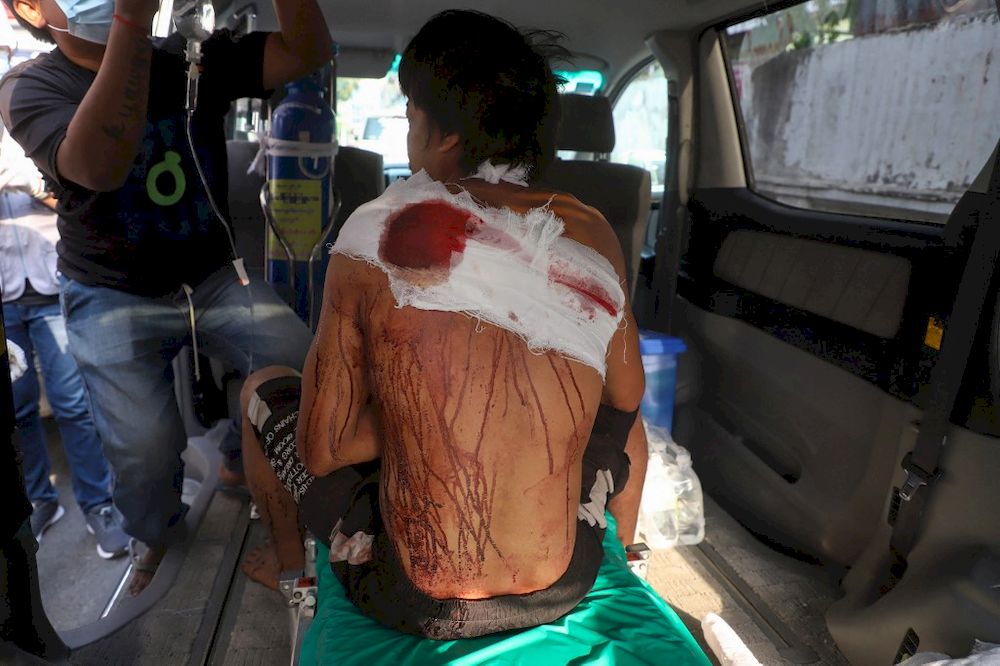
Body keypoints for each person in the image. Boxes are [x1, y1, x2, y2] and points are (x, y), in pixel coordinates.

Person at [238, 9, 649, 639]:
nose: (408, 130)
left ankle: (293, 571)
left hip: (414, 594)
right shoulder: (593, 231)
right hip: (563, 581)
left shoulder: (375, 232)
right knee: (630, 428)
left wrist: (418, 413)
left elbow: (322, 449)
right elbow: (624, 397)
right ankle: (634, 561)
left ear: (447, 135)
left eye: (410, 115)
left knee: (260, 387)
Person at [0, 0, 330, 594]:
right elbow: (96, 167)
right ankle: (154, 533)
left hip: (212, 277)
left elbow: (308, 50)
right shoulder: (29, 87)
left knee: (302, 360)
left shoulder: (190, 59)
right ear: (27, 7)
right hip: (109, 292)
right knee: (145, 452)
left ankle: (239, 457)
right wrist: (130, 20)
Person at [1, 127, 129, 558]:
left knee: (73, 404)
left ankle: (99, 504)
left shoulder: (28, 123)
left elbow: (79, 200)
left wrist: (30, 184)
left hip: (52, 287)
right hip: (4, 299)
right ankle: (40, 500)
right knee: (17, 408)